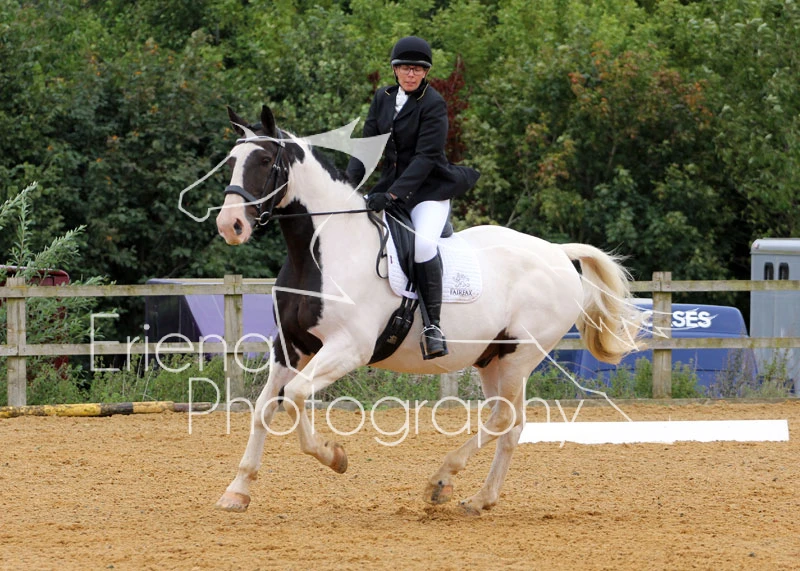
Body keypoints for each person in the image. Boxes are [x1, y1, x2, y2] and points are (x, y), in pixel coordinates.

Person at [346, 36, 480, 360]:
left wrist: (392, 194)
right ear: (395, 70)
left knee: (422, 245)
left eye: (418, 69)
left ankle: (433, 327)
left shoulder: (433, 103)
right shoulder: (382, 98)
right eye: (405, 68)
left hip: (428, 192)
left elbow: (426, 158)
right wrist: (346, 187)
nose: (411, 74)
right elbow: (367, 148)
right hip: (390, 187)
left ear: (425, 72)